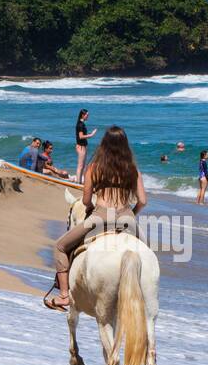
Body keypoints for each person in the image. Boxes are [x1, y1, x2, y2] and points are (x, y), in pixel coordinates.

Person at [45, 126, 146, 310]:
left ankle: (64, 296)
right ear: (125, 145)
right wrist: (132, 214)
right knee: (146, 254)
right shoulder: (133, 170)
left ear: (104, 144)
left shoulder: (93, 168)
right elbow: (143, 201)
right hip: (127, 219)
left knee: (60, 246)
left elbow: (85, 200)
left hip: (100, 217)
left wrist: (92, 209)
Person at [73, 109, 96, 183]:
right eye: (87, 115)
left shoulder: (82, 124)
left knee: (83, 166)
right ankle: (78, 182)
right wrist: (91, 135)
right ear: (83, 115)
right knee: (80, 166)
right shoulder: (80, 124)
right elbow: (81, 136)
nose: (88, 116)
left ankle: (79, 182)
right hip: (81, 147)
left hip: (83, 146)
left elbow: (82, 135)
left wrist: (88, 134)